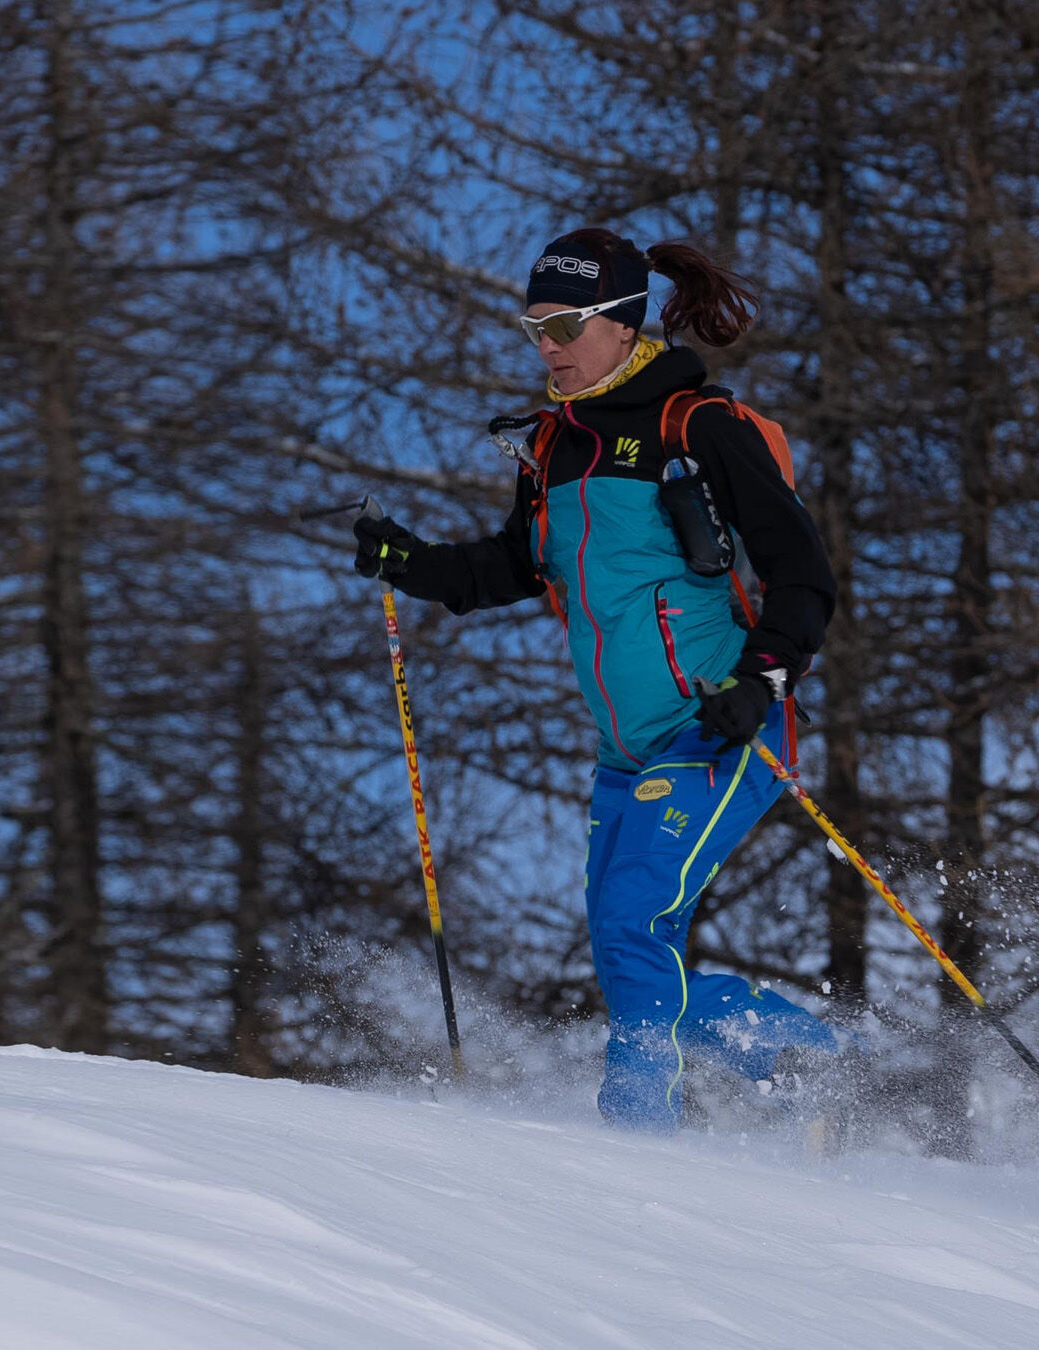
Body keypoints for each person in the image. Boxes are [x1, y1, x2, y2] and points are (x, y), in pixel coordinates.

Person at [352, 228, 843, 1130]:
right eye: (533, 326)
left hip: (722, 723)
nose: (546, 345)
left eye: (566, 324)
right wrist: (409, 562)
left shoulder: (699, 428)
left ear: (624, 323)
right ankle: (798, 1054)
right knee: (629, 953)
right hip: (626, 749)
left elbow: (803, 576)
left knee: (630, 925)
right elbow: (510, 567)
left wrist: (760, 679)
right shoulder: (553, 447)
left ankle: (636, 1142)